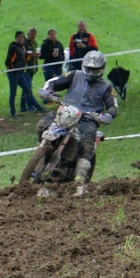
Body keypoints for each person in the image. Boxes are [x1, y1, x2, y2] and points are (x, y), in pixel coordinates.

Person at [38, 50, 117, 196]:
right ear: (83, 66)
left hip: (88, 119)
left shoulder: (106, 86)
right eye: (89, 69)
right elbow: (54, 82)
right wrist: (48, 91)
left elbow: (113, 106)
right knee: (43, 124)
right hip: (66, 113)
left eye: (95, 70)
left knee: (87, 144)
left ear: (101, 69)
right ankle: (42, 152)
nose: (91, 73)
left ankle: (79, 181)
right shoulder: (74, 75)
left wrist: (107, 116)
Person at [5, 30, 43, 116]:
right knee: (13, 93)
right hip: (14, 74)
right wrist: (12, 71)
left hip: (21, 73)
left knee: (28, 90)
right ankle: (13, 113)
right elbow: (7, 62)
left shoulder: (22, 47)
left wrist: (26, 62)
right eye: (19, 37)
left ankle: (39, 108)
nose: (20, 39)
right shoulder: (13, 47)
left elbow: (24, 57)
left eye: (22, 37)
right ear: (16, 38)